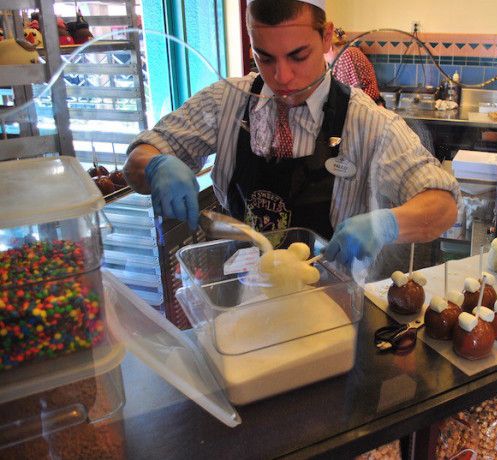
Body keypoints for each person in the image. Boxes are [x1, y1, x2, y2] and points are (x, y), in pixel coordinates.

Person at [124, 0, 459, 267]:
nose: (282, 77)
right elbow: (139, 158)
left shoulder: (370, 123)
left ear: (326, 37)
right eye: (264, 58)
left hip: (329, 309)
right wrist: (154, 166)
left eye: (298, 56)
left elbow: (442, 205)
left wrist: (387, 225)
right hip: (241, 291)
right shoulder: (224, 101)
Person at [325, 28, 383, 105]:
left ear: (330, 48)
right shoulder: (351, 50)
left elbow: (347, 93)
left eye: (324, 54)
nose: (325, 59)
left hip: (365, 104)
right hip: (370, 102)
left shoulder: (345, 56)